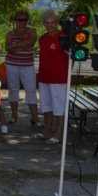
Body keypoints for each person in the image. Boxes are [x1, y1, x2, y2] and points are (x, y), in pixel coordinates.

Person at [34, 9, 68, 144]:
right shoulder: (42, 38)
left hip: (59, 80)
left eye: (52, 22)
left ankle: (58, 134)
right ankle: (46, 132)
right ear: (44, 24)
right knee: (46, 106)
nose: (50, 25)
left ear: (57, 23)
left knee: (59, 108)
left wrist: (64, 73)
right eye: (47, 23)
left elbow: (71, 59)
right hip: (44, 78)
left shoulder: (63, 37)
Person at [4, 9, 40, 126]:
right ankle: (14, 115)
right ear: (16, 20)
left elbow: (30, 43)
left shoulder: (32, 31)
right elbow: (8, 48)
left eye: (25, 20)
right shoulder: (10, 33)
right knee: (13, 89)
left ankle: (35, 117)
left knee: (31, 90)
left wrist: (16, 46)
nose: (23, 22)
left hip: (27, 65)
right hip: (11, 65)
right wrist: (21, 46)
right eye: (20, 20)